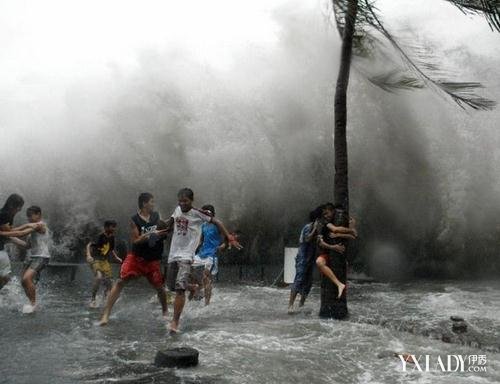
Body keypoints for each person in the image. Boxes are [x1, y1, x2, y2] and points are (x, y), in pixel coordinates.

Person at [165, 188, 242, 333]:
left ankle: (178, 320)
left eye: (185, 201)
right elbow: (172, 226)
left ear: (191, 201)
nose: (182, 203)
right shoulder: (183, 214)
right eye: (180, 201)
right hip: (190, 254)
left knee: (202, 277)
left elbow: (219, 225)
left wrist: (227, 241)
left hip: (206, 254)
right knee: (172, 286)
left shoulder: (200, 215)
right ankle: (193, 287)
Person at [99, 193, 169, 326]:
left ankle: (165, 312)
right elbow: (135, 240)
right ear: (144, 204)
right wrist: (150, 235)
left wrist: (162, 233)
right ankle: (106, 314)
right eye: (151, 202)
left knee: (159, 287)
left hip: (153, 258)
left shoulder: (156, 216)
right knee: (120, 282)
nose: (153, 204)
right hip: (136, 257)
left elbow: (163, 230)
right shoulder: (134, 220)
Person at [9, 206, 51, 313]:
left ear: (39, 214)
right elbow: (27, 245)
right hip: (33, 257)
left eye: (31, 215)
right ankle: (32, 302)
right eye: (28, 216)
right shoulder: (32, 230)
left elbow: (21, 232)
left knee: (26, 279)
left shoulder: (41, 225)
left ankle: (33, 304)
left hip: (42, 257)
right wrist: (10, 237)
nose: (29, 218)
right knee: (23, 282)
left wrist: (8, 231)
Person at [191, 204, 233, 306]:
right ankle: (199, 288)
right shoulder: (204, 225)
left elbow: (227, 238)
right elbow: (201, 240)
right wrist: (192, 251)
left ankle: (207, 304)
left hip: (211, 256)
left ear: (212, 214)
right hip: (201, 254)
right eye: (203, 212)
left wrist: (223, 246)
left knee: (206, 277)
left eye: (207, 213)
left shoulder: (217, 225)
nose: (204, 214)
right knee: (188, 267)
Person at [0, 194, 41, 291]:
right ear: (11, 205)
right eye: (19, 207)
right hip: (0, 251)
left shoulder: (8, 215)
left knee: (5, 277)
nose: (20, 209)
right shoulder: (3, 215)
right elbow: (10, 233)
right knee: (5, 277)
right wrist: (31, 227)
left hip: (1, 249)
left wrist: (24, 245)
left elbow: (7, 235)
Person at [316, 203, 357, 299]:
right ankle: (339, 284)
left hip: (339, 255)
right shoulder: (324, 222)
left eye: (327, 213)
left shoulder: (341, 219)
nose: (326, 216)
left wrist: (342, 234)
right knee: (319, 262)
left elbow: (353, 236)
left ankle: (341, 287)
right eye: (324, 214)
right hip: (327, 252)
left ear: (333, 211)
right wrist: (333, 247)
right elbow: (334, 230)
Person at [288, 206, 322, 314]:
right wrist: (315, 230)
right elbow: (307, 239)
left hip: (310, 260)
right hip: (302, 259)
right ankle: (290, 305)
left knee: (308, 283)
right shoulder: (308, 227)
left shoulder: (317, 230)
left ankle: (301, 305)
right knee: (299, 280)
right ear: (316, 219)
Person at [86, 220, 122, 308]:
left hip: (105, 261)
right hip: (95, 259)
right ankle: (93, 299)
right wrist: (88, 255)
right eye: (112, 226)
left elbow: (111, 249)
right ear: (106, 227)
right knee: (98, 277)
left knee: (109, 284)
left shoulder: (112, 237)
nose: (114, 228)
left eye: (114, 227)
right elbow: (89, 245)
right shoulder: (100, 236)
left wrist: (116, 257)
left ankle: (104, 300)